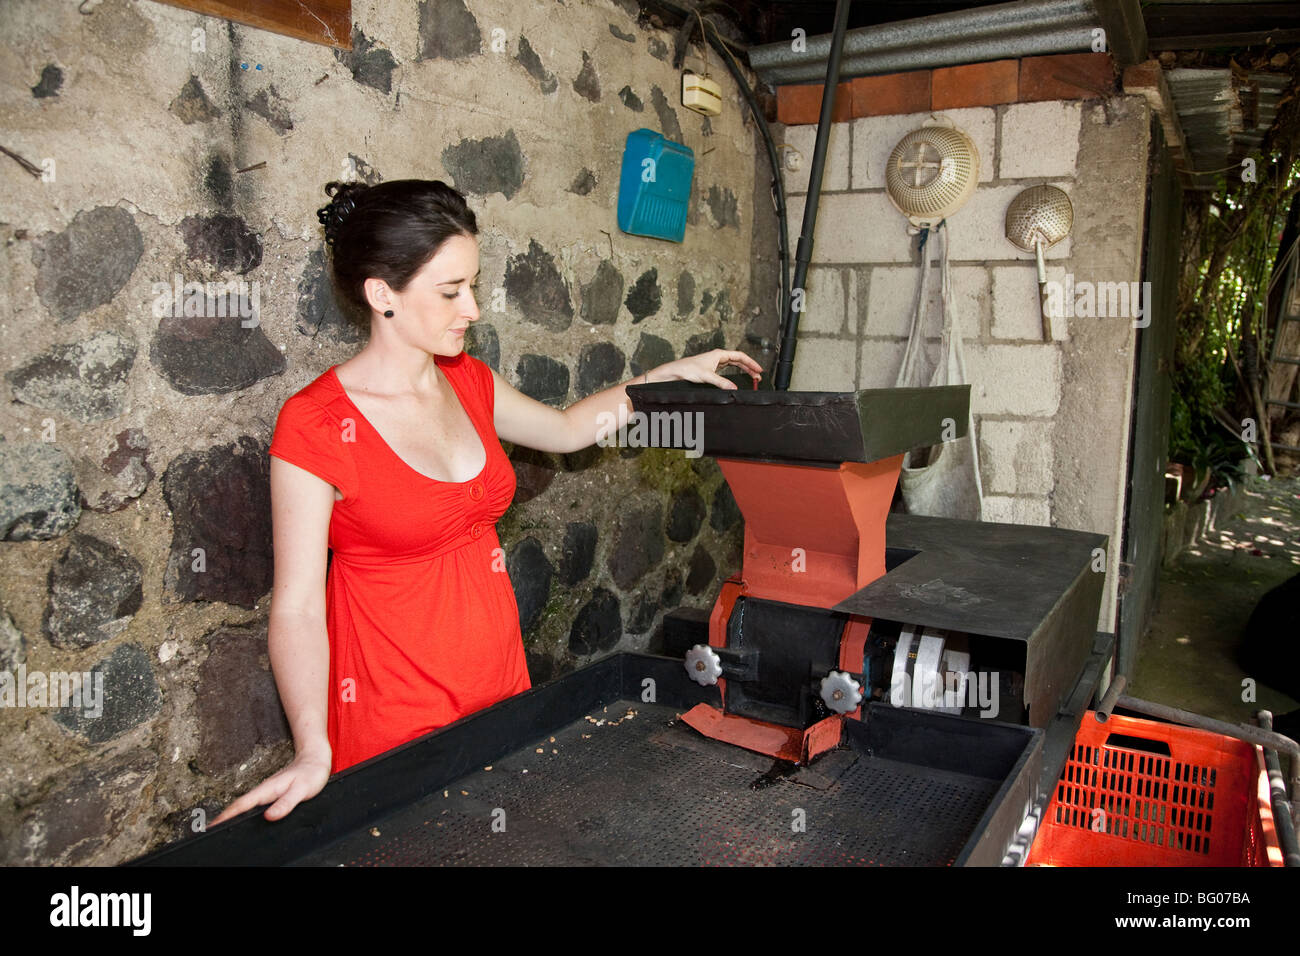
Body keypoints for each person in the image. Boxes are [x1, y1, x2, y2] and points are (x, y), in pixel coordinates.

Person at [212, 179, 761, 825]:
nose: (472, 308)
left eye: (472, 285)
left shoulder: (467, 380)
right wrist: (311, 748)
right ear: (382, 294)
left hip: (499, 685)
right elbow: (300, 607)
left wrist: (656, 382)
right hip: (394, 710)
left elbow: (564, 429)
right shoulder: (316, 424)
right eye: (450, 292)